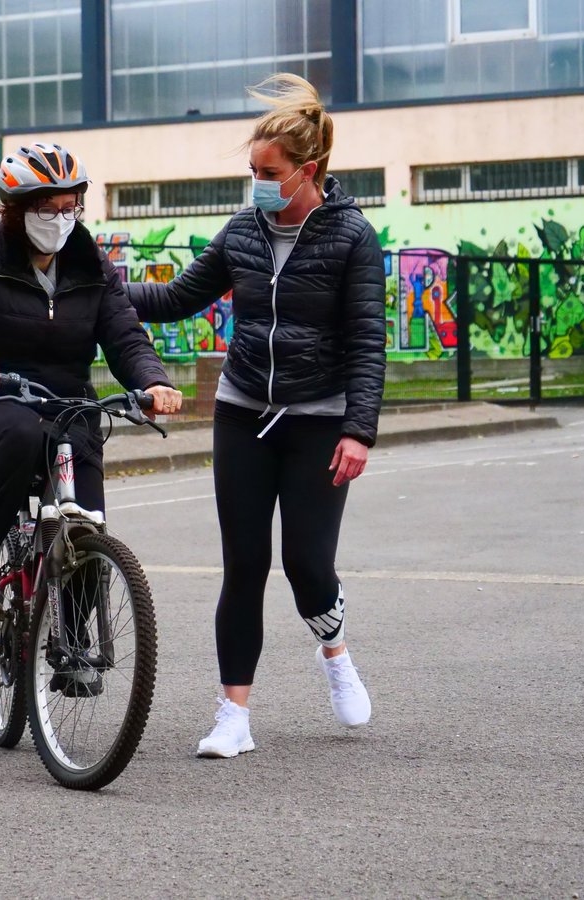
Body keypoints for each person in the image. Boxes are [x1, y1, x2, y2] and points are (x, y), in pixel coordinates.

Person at [127, 74, 386, 758]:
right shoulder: (243, 231)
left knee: (306, 565)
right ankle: (233, 718)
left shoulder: (352, 237)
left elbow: (366, 339)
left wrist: (359, 429)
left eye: (269, 173)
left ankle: (334, 651)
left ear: (310, 170)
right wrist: (97, 287)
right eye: (252, 172)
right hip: (243, 412)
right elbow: (180, 297)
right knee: (244, 565)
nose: (258, 185)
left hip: (319, 422)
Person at [0, 142, 183, 618]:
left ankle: (77, 642)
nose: (60, 219)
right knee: (21, 432)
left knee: (87, 525)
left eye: (70, 207)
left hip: (71, 409)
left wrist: (153, 383)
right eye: (47, 207)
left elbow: (125, 334)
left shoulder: (93, 268)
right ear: (14, 210)